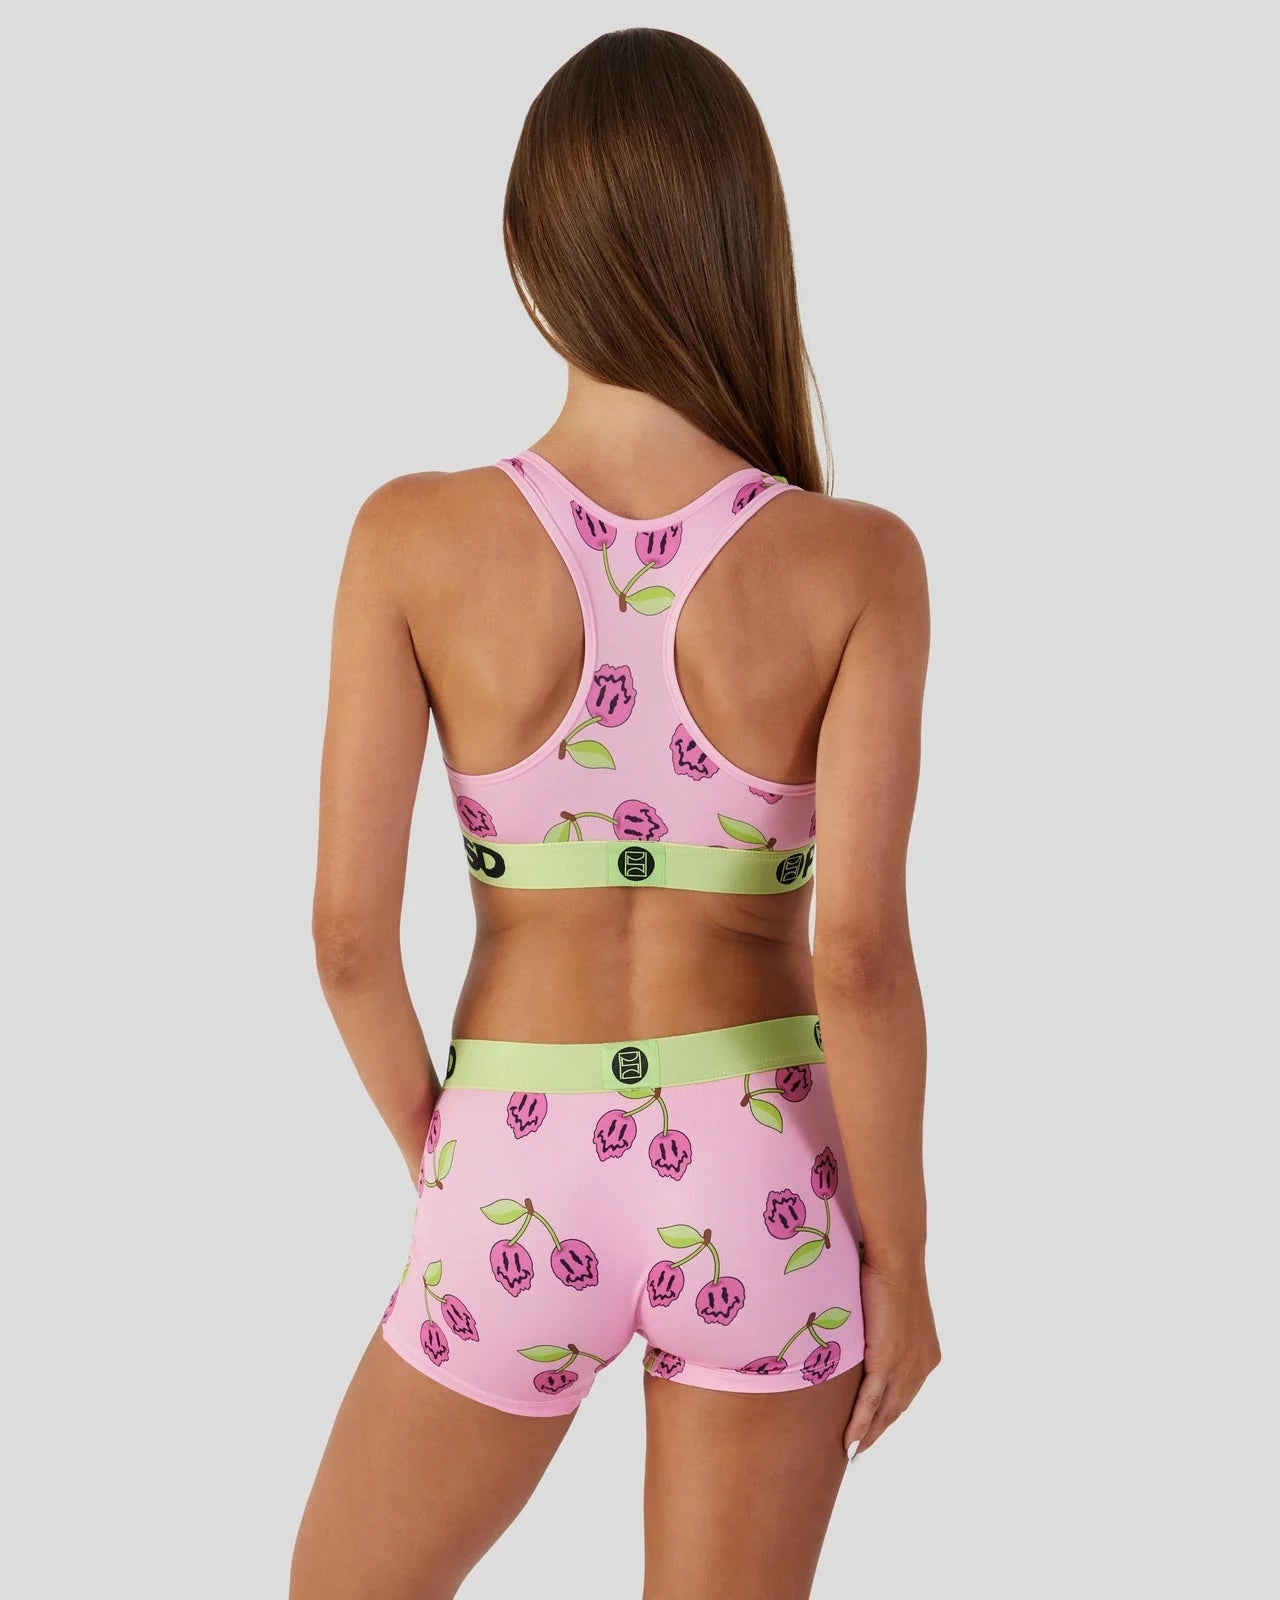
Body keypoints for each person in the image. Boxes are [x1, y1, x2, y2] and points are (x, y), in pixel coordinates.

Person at [291, 27, 939, 1600]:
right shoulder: (857, 561)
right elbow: (857, 956)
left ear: (531, 254)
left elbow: (348, 940)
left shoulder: (411, 539)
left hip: (516, 1156)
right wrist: (901, 1259)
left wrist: (447, 1153)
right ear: (743, 244)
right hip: (761, 1173)